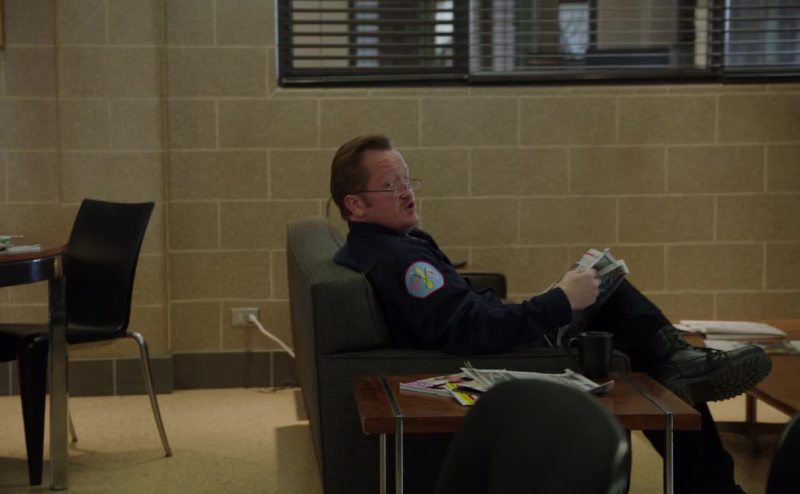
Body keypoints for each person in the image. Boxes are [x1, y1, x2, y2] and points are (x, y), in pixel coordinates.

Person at [330, 134, 771, 494]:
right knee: (636, 338)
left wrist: (551, 299)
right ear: (356, 205)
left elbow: (462, 312)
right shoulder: (402, 261)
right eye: (390, 185)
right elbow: (468, 330)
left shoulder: (391, 245)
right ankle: (701, 441)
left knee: (637, 336)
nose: (407, 193)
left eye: (408, 180)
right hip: (504, 359)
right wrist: (559, 301)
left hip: (503, 339)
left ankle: (680, 371)